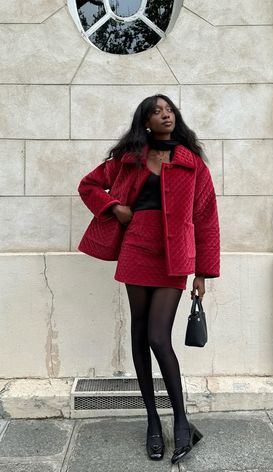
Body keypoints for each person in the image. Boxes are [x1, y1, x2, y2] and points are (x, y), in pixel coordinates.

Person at [77, 94, 220, 464]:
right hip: (137, 249)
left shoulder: (192, 164)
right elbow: (88, 186)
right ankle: (153, 423)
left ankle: (183, 422)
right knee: (139, 335)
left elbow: (206, 218)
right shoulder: (128, 160)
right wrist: (115, 208)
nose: (165, 115)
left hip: (174, 257)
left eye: (169, 109)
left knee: (159, 336)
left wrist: (203, 271)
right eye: (156, 112)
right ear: (145, 122)